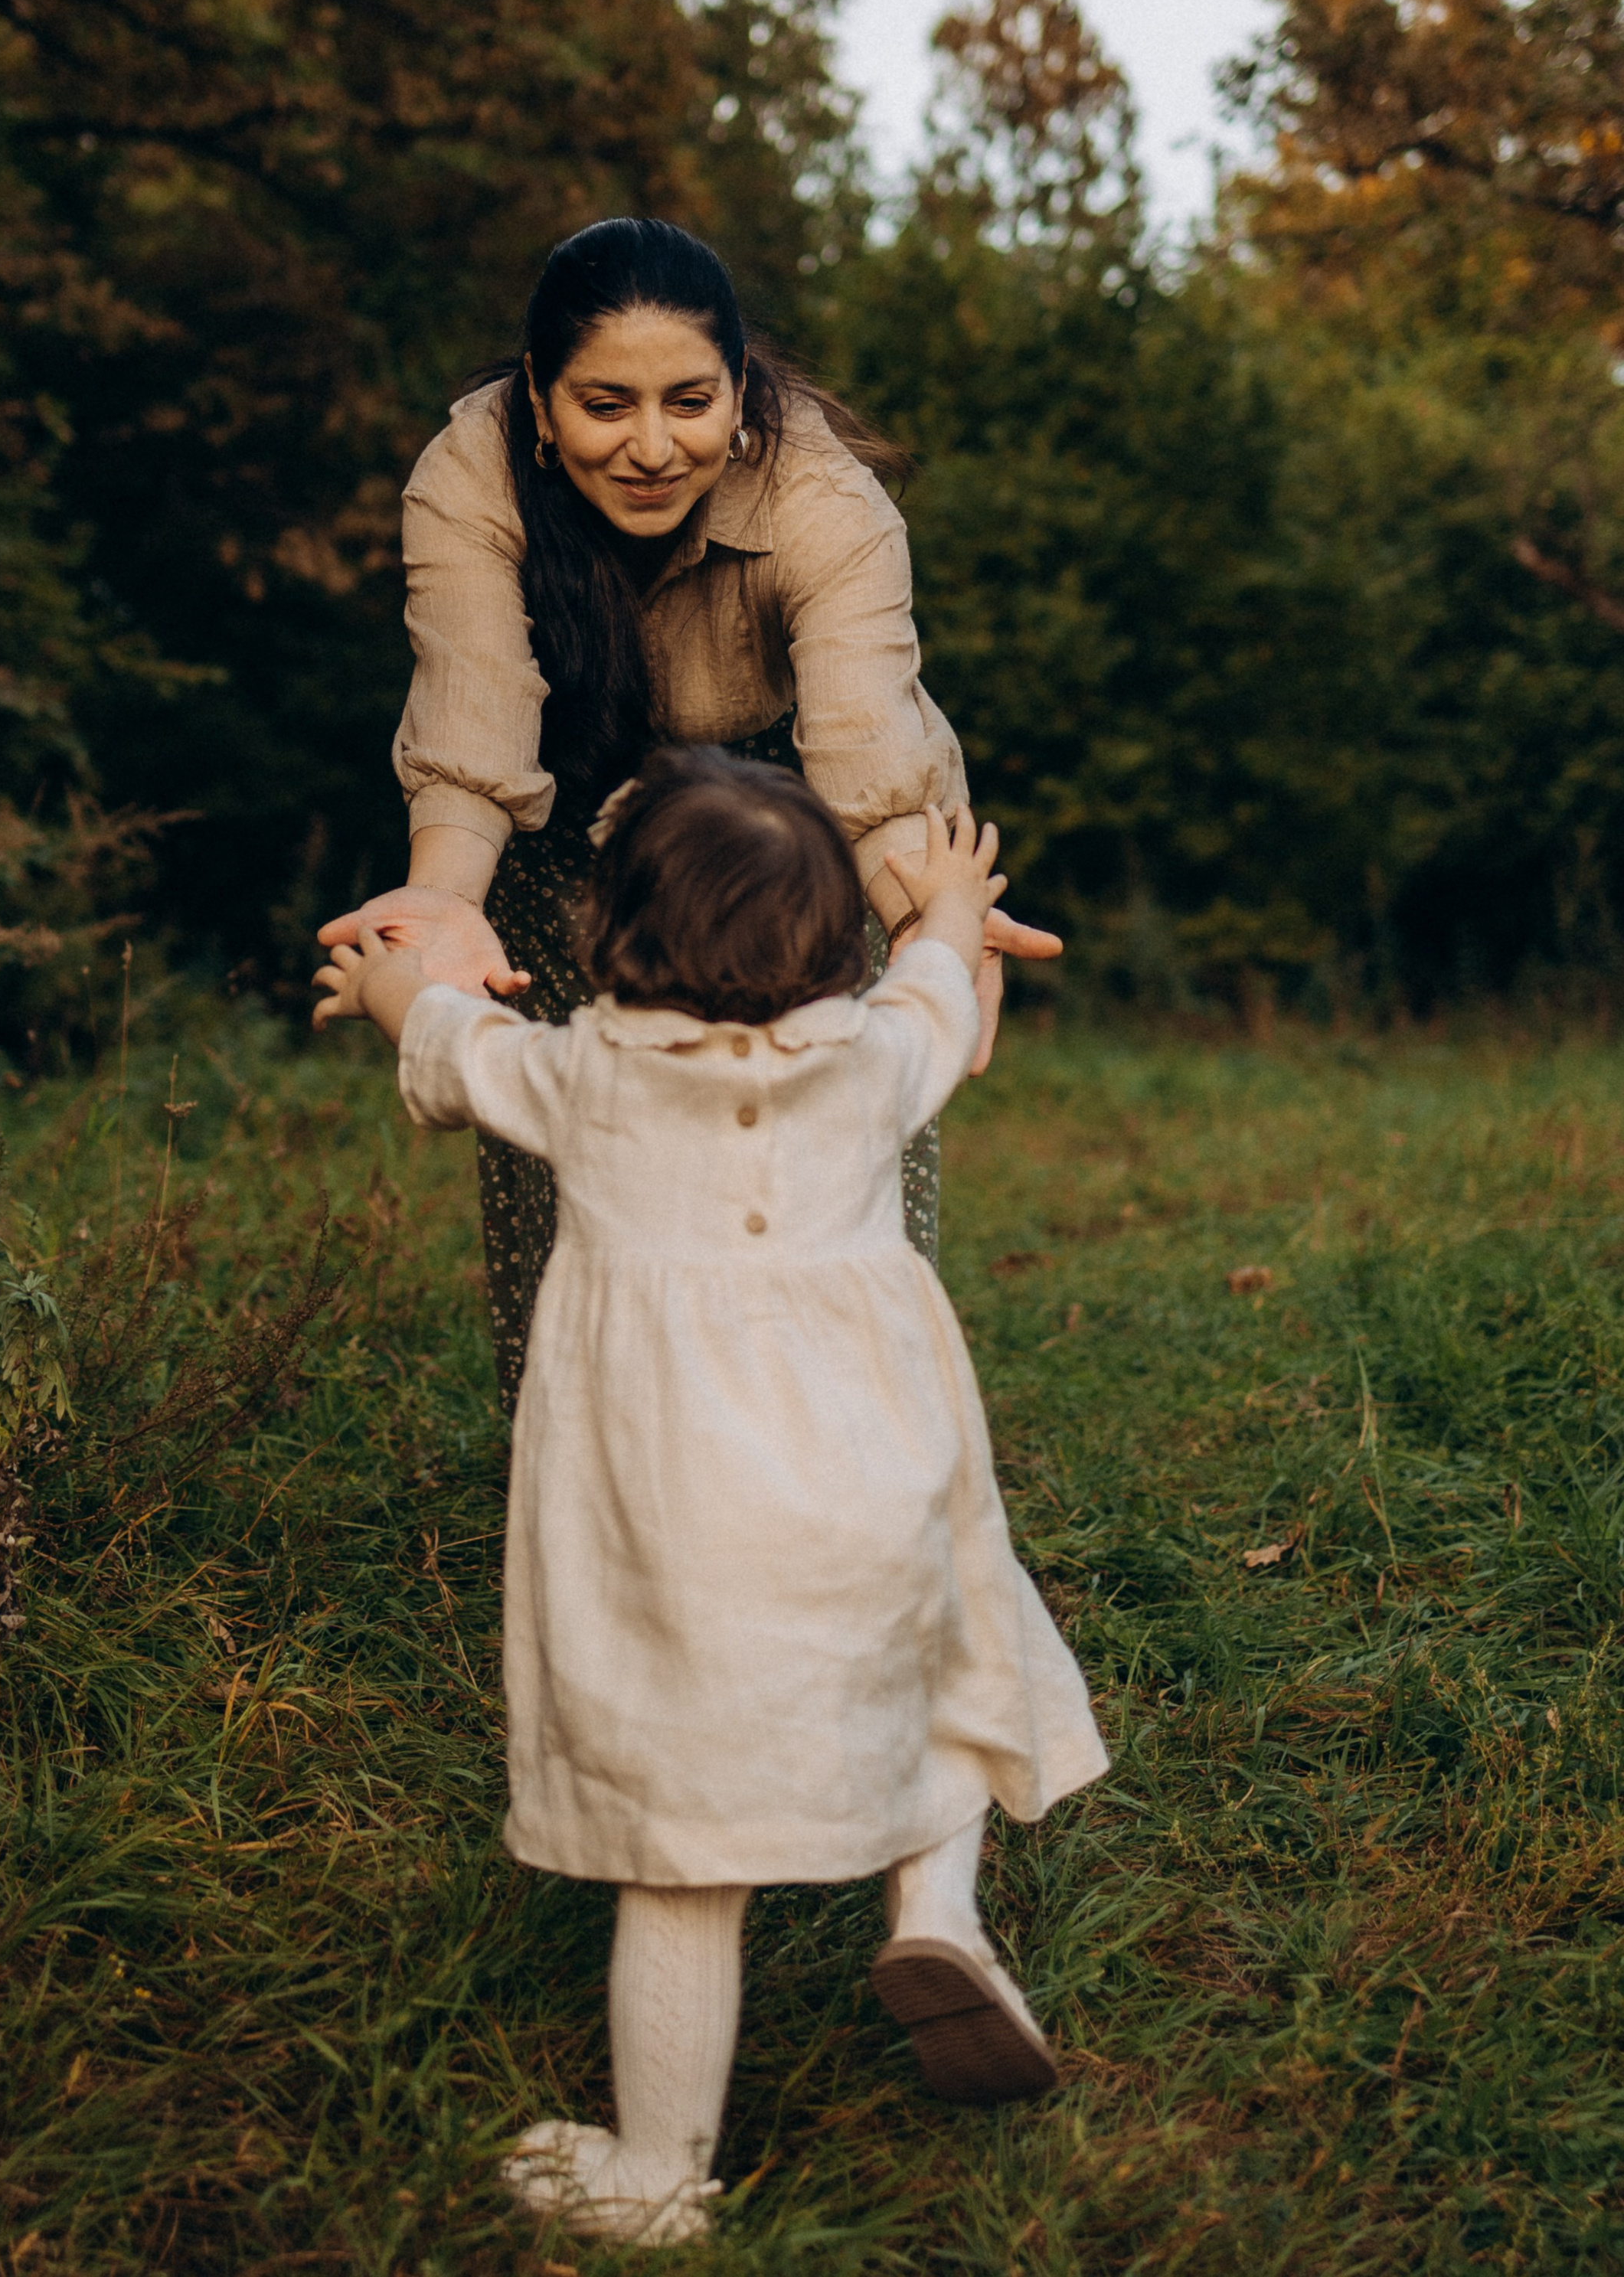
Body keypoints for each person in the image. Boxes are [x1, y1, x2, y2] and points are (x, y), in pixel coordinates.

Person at [317, 746, 1107, 2248]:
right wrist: (945, 900)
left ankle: (657, 2171)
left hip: (677, 1528)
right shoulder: (874, 1060)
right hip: (874, 1487)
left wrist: (386, 982)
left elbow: (447, 1043)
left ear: (604, 938)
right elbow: (938, 979)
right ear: (833, 948)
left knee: (678, 1856)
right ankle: (937, 1915)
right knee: (951, 1674)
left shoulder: (584, 1077)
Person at [317, 215, 1062, 1406]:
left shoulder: (826, 498)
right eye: (606, 404)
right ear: (540, 397)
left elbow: (867, 756)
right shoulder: (468, 477)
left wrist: (929, 922)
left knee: (838, 1124)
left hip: (785, 816)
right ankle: (585, 1438)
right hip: (560, 801)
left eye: (691, 401)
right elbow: (474, 720)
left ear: (742, 387)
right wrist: (446, 899)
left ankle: (860, 1423)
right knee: (574, 1139)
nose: (654, 447)